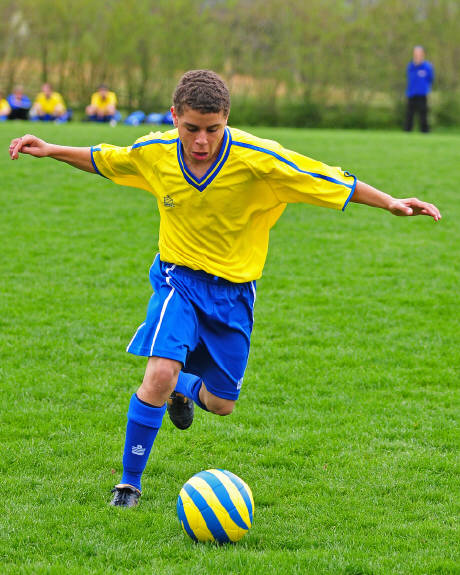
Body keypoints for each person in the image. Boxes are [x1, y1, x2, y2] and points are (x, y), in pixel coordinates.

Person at [9, 70, 441, 508]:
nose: (201, 141)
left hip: (233, 293)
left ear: (227, 119)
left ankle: (184, 386)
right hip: (177, 279)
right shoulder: (156, 153)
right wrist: (51, 149)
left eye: (213, 130)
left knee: (220, 403)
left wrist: (389, 202)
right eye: (191, 128)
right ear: (174, 116)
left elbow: (327, 177)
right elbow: (107, 158)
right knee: (157, 374)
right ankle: (128, 483)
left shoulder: (260, 160)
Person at [404, 46, 434, 133]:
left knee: (423, 113)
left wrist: (426, 88)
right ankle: (407, 131)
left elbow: (430, 79)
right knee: (409, 114)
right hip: (411, 93)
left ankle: (425, 131)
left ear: (423, 54)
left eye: (419, 53)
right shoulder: (410, 66)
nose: (417, 55)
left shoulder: (427, 67)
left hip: (422, 94)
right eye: (416, 53)